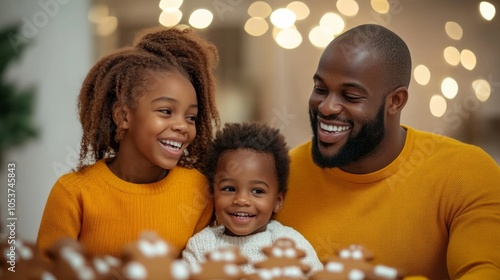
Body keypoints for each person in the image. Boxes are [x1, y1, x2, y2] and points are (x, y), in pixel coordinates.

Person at [276, 23, 500, 279]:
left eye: (350, 96)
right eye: (320, 89)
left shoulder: (466, 173)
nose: (326, 107)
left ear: (396, 101)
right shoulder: (278, 175)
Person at [37, 26, 221, 258]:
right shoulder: (74, 193)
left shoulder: (199, 190)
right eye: (166, 111)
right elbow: (44, 271)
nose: (182, 126)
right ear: (123, 116)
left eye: (191, 117)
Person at [182, 122, 323, 275]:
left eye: (257, 191)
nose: (241, 200)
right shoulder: (202, 245)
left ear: (278, 201)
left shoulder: (290, 244)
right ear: (212, 194)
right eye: (229, 189)